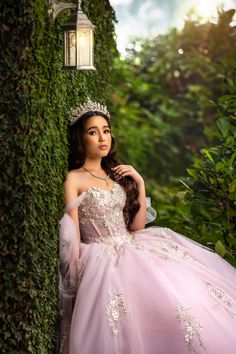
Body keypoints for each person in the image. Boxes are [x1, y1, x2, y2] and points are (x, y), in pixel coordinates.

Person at [58, 97, 236, 354]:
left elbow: (137, 228)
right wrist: (72, 284)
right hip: (100, 260)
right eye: (93, 132)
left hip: (134, 248)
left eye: (106, 131)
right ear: (80, 139)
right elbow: (72, 235)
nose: (102, 138)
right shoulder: (73, 179)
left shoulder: (115, 174)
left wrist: (139, 182)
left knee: (179, 302)